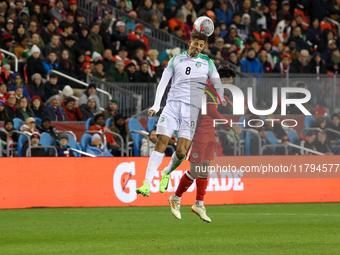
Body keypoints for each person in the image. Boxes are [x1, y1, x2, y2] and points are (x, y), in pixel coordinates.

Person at [136, 30, 228, 198]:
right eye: (196, 44)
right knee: (161, 142)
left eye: (202, 45)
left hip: (191, 111)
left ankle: (166, 172)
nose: (198, 48)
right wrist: (156, 105)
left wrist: (221, 97)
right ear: (190, 42)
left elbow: (217, 82)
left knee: (181, 152)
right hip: (172, 106)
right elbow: (163, 82)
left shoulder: (207, 62)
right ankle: (146, 183)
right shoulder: (176, 59)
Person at [168, 65, 241, 222]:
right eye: (228, 82)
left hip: (209, 133)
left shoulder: (214, 88)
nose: (229, 86)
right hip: (198, 132)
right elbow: (212, 111)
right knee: (195, 170)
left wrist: (227, 101)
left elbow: (218, 99)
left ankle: (199, 204)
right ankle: (175, 197)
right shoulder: (206, 89)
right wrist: (230, 125)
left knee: (205, 168)